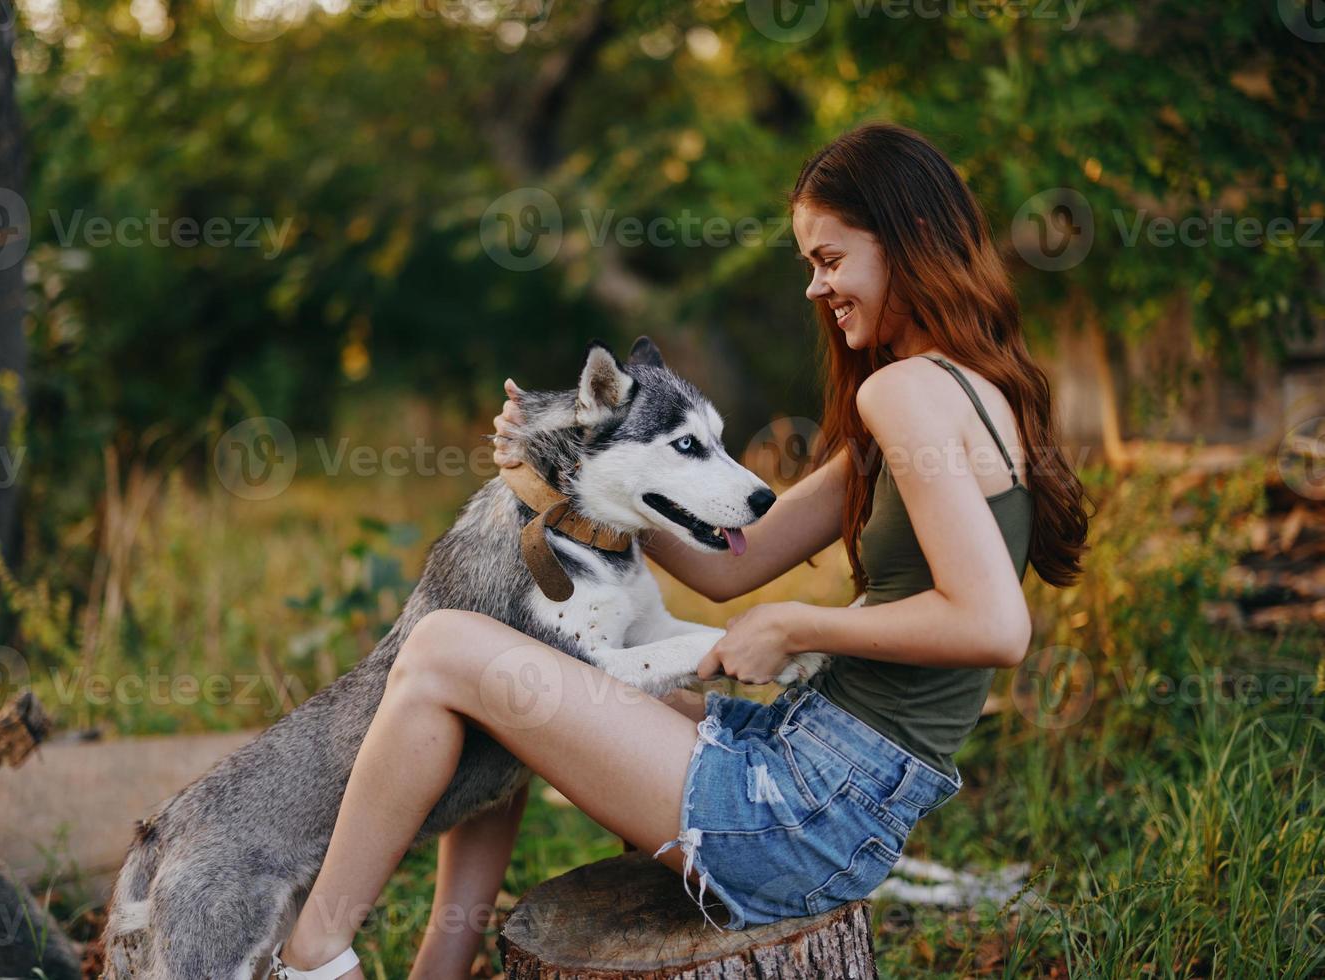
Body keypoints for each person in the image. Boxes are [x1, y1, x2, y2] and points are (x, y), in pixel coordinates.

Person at [268, 122, 1089, 980]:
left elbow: (996, 625)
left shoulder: (906, 393)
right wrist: (568, 470)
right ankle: (439, 963)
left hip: (803, 812)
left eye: (830, 259)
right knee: (502, 689)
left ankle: (313, 955)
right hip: (823, 779)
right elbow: (730, 561)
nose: (816, 287)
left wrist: (796, 626)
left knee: (442, 647)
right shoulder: (962, 387)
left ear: (909, 240)